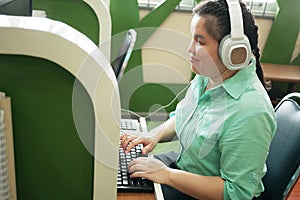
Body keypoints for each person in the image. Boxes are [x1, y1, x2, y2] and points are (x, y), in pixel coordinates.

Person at [120, 0, 276, 199]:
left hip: (205, 192)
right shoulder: (208, 75)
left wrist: (166, 175)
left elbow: (237, 192)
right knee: (121, 173)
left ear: (233, 52)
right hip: (184, 168)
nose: (190, 49)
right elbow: (185, 115)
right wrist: (154, 134)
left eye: (200, 42)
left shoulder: (251, 111)